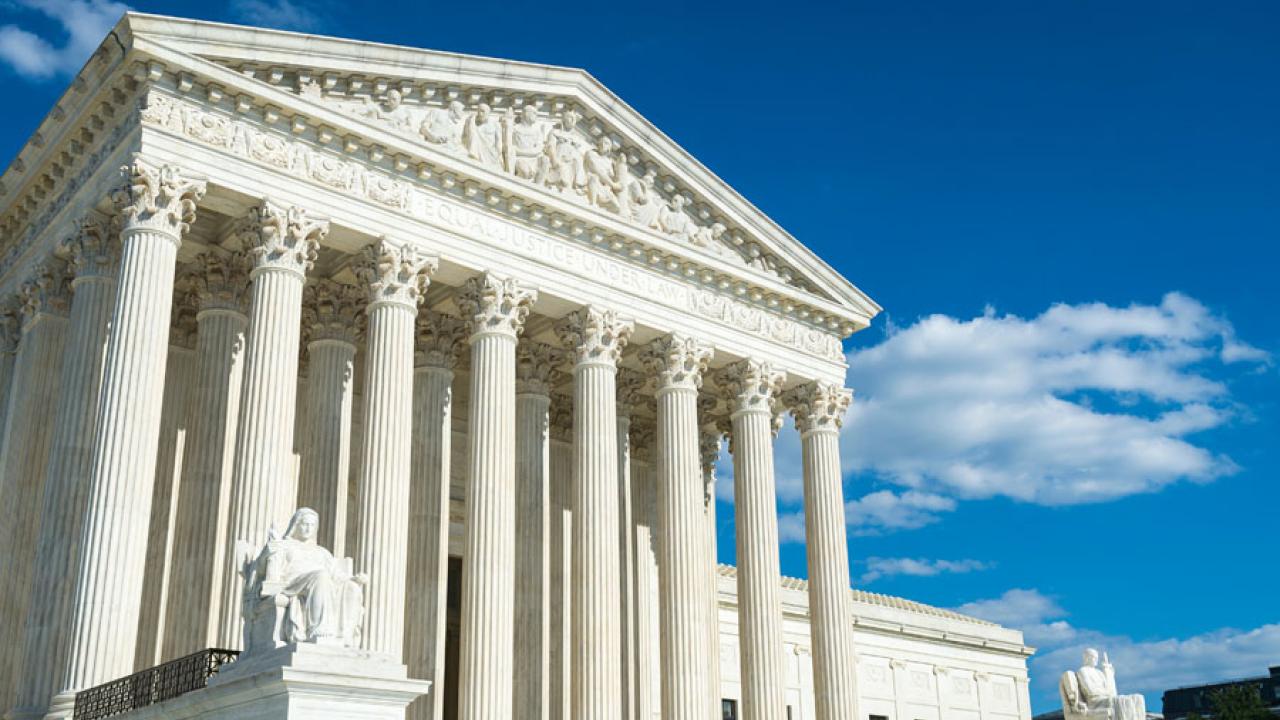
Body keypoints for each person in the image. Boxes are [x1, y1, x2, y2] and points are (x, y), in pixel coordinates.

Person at [253, 508, 367, 646]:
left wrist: (354, 580)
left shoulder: (321, 552)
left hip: (319, 583)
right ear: (296, 525)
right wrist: (266, 554)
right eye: (305, 524)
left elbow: (336, 575)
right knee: (321, 577)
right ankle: (320, 630)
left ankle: (344, 636)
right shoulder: (284, 545)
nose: (308, 529)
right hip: (292, 584)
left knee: (351, 588)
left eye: (312, 525)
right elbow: (259, 572)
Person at [1073, 649, 1147, 720]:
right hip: (1095, 702)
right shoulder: (1083, 671)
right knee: (1122, 701)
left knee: (1138, 698)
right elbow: (1091, 690)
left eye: (1096, 657)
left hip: (1105, 698)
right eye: (1093, 657)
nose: (1096, 659)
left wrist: (1107, 670)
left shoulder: (1099, 672)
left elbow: (1109, 687)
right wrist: (1106, 692)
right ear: (1086, 658)